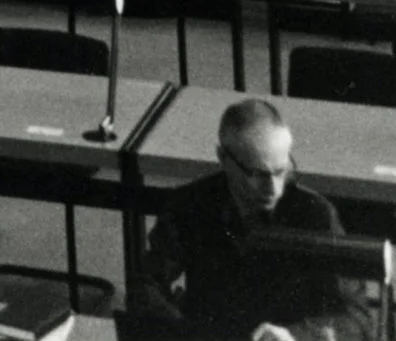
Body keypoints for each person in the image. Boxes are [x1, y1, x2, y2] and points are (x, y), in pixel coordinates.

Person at [133, 97, 368, 340]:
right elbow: (146, 284)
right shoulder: (190, 204)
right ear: (223, 158)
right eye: (257, 174)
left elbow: (358, 319)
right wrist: (184, 332)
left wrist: (296, 335)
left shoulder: (315, 213)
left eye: (281, 171)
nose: (273, 189)